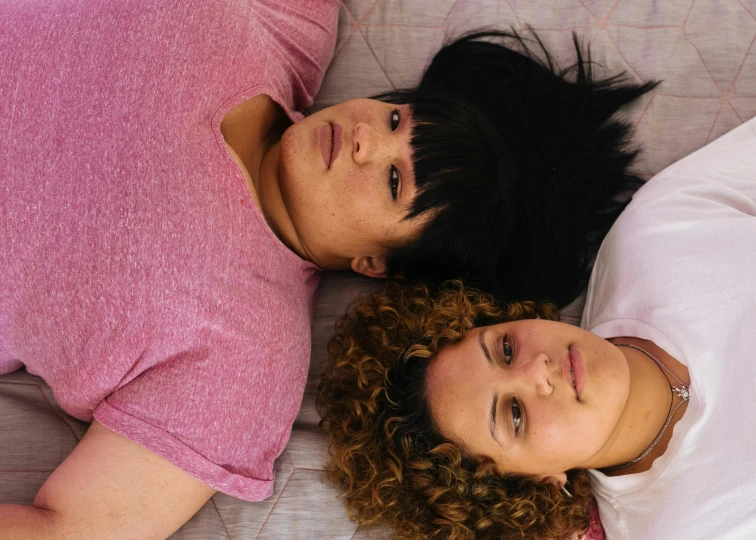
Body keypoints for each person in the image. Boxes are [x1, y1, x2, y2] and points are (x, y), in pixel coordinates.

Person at [0, 1, 653, 538]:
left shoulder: (245, 356)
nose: (367, 138)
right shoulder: (288, 25)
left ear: (374, 264)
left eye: (394, 181)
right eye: (398, 119)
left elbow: (68, 530)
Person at [318, 115, 756, 539]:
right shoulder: (686, 528)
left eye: (505, 349)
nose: (537, 370)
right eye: (514, 414)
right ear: (541, 483)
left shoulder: (653, 237)